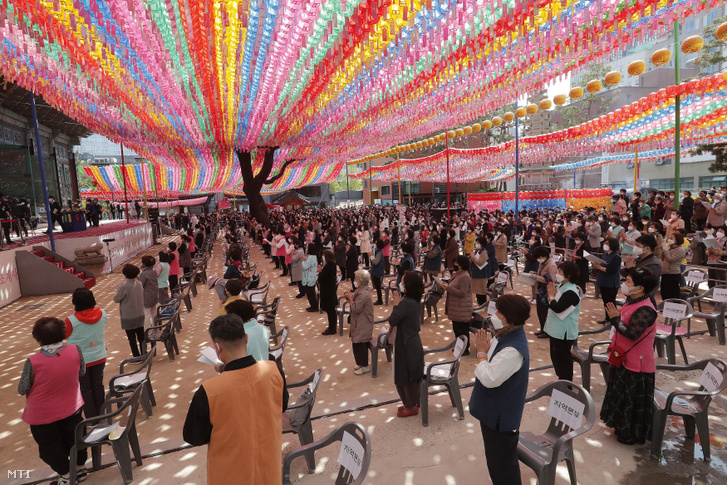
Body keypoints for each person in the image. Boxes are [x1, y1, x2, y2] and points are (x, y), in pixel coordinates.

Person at [182, 314, 288, 484]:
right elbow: (281, 406)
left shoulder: (209, 392)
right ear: (246, 338)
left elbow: (194, 437)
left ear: (217, 348)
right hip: (269, 471)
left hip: (230, 476)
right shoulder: (274, 371)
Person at [469, 294, 531, 485]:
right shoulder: (503, 334)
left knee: (504, 468)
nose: (494, 314)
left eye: (499, 312)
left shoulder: (513, 349)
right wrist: (486, 352)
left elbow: (489, 378)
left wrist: (480, 354)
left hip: (500, 419)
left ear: (510, 319)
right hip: (491, 414)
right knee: (495, 462)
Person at [19, 317, 88, 485]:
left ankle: (65, 476)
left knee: (50, 445)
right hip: (72, 407)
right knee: (76, 437)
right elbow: (82, 372)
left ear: (38, 339)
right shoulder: (75, 350)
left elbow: (22, 388)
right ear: (63, 333)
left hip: (43, 415)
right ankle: (80, 469)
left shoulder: (33, 362)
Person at [601, 268, 659, 445]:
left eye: (628, 281)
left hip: (637, 363)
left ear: (640, 288)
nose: (624, 284)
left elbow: (632, 334)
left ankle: (631, 433)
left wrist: (614, 319)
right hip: (622, 356)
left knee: (631, 399)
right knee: (620, 394)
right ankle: (620, 427)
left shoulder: (646, 309)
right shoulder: (631, 301)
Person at [64, 288, 107, 419]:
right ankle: (102, 415)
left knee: (85, 389)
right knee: (98, 386)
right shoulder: (103, 314)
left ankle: (92, 419)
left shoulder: (70, 321)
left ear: (75, 302)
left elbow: (65, 335)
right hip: (99, 355)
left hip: (79, 360)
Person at [389, 271, 425, 417]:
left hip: (406, 343)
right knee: (410, 373)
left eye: (403, 283)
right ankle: (411, 403)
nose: (400, 285)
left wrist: (395, 305)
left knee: (406, 374)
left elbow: (393, 320)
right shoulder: (413, 300)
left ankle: (410, 406)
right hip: (411, 341)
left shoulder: (405, 303)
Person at [544, 262, 581, 380]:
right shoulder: (561, 286)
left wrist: (551, 296)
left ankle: (566, 383)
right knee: (556, 358)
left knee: (563, 360)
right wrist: (551, 297)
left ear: (568, 275)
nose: (557, 274)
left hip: (563, 332)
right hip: (555, 329)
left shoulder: (571, 291)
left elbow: (558, 308)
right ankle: (562, 380)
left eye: (560, 272)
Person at [443, 255, 474, 355]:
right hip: (456, 307)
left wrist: (448, 288)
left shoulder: (464, 276)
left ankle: (465, 349)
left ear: (460, 265)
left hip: (462, 308)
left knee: (462, 329)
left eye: (456, 263)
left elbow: (462, 293)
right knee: (457, 328)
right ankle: (459, 346)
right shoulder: (457, 274)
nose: (454, 264)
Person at [113, 264, 146, 357]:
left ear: (125, 274)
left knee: (132, 339)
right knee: (141, 336)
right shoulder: (139, 284)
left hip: (129, 316)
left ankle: (136, 357)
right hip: (140, 313)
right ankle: (145, 353)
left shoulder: (124, 287)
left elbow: (116, 299)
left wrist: (118, 289)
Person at [346, 269, 375, 375]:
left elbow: (357, 308)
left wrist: (350, 299)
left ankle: (365, 366)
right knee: (356, 343)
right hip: (359, 321)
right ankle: (360, 363)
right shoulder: (360, 290)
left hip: (363, 322)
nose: (354, 280)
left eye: (356, 278)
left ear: (361, 281)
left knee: (361, 343)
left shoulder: (364, 294)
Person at [592, 237, 622, 324]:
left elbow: (611, 270)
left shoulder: (616, 257)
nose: (605, 245)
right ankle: (607, 318)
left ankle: (614, 319)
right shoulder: (605, 254)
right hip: (603, 280)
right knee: (605, 301)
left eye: (607, 243)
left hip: (611, 282)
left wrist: (600, 267)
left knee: (611, 302)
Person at [532, 246, 557, 339]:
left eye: (539, 257)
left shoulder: (551, 265)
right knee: (540, 312)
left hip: (546, 293)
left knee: (545, 313)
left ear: (544, 256)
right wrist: (535, 274)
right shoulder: (543, 263)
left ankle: (547, 331)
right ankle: (542, 328)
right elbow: (541, 274)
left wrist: (537, 278)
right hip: (539, 291)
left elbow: (551, 280)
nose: (538, 260)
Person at [660, 232, 686, 300]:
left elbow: (670, 259)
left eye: (671, 238)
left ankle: (673, 307)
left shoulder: (680, 250)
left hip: (673, 273)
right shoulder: (670, 248)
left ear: (677, 240)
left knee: (672, 293)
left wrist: (666, 250)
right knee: (664, 291)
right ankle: (664, 307)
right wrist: (663, 250)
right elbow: (662, 258)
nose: (669, 239)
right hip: (665, 272)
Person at [319, 250, 339, 335]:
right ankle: (332, 326)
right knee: (331, 311)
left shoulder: (328, 267)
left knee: (330, 311)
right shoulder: (332, 265)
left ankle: (332, 329)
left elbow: (321, 279)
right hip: (330, 290)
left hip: (327, 291)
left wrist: (320, 271)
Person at [139, 255, 160, 329]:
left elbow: (141, 284)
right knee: (154, 311)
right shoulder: (154, 271)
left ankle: (148, 328)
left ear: (143, 264)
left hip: (147, 296)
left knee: (147, 313)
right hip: (154, 294)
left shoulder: (144, 274)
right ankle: (155, 326)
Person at [470, 236, 490, 305]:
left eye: (478, 242)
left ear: (482, 243)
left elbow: (480, 262)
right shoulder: (477, 250)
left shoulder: (484, 252)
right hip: (476, 273)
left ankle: (483, 305)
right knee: (477, 291)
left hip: (481, 275)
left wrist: (472, 257)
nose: (476, 244)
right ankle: (480, 305)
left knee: (481, 291)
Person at [302, 243, 319, 312]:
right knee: (311, 292)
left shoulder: (311, 257)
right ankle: (313, 305)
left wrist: (303, 261)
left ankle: (314, 306)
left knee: (310, 292)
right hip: (311, 276)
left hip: (310, 277)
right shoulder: (313, 256)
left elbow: (304, 267)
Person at [370, 239, 386, 305]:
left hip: (377, 272)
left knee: (378, 287)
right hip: (377, 271)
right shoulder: (378, 251)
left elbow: (376, 262)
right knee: (377, 286)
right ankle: (379, 299)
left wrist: (371, 257)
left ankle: (380, 300)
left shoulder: (379, 252)